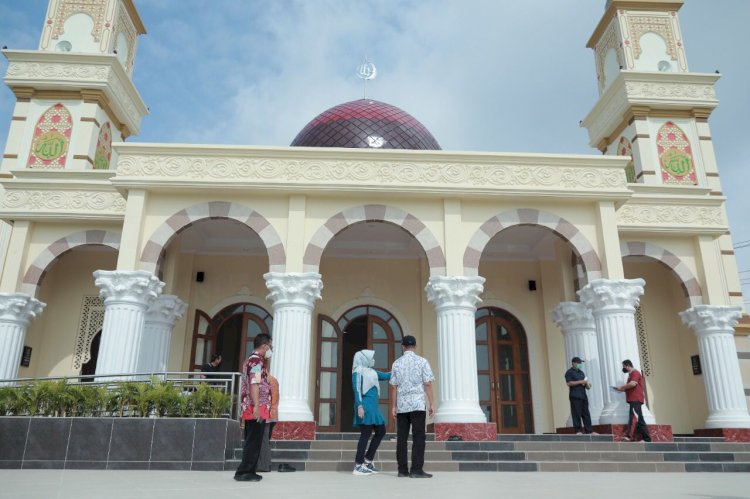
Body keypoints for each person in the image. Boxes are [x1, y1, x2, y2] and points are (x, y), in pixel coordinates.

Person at [389, 335, 435, 478]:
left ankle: (402, 470)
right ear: (415, 346)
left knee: (401, 438)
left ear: (403, 346)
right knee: (419, 437)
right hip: (417, 405)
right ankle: (416, 470)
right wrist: (432, 402)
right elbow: (427, 383)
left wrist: (393, 406)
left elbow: (394, 387)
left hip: (402, 406)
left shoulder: (396, 363)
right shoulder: (422, 361)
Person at [234, 333, 273, 482]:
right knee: (253, 441)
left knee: (254, 440)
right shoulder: (256, 360)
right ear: (264, 346)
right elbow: (254, 383)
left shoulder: (252, 360)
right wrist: (256, 405)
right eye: (270, 346)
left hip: (255, 406)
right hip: (256, 407)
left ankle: (249, 470)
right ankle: (244, 472)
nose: (270, 349)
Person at [351, 349, 391, 476]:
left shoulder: (372, 371)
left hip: (374, 407)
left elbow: (386, 376)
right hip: (365, 406)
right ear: (364, 359)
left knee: (381, 431)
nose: (373, 360)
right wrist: (359, 406)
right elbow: (356, 389)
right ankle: (358, 465)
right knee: (365, 434)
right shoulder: (357, 372)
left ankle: (368, 460)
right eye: (371, 358)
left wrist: (399, 368)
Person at [615, 359, 651, 443]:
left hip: (636, 399)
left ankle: (629, 437)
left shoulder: (635, 373)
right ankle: (647, 439)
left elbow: (633, 384)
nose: (623, 368)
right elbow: (630, 387)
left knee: (633, 418)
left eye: (624, 366)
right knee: (640, 419)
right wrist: (621, 389)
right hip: (634, 400)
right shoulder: (631, 375)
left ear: (627, 365)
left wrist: (622, 387)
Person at [564, 356, 597, 435]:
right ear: (573, 363)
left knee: (586, 414)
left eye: (580, 363)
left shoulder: (581, 372)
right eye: (579, 363)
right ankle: (578, 431)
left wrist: (587, 385)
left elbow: (586, 385)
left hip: (583, 396)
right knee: (576, 414)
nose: (580, 364)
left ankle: (589, 431)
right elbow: (569, 383)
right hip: (575, 396)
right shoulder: (569, 372)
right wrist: (580, 381)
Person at [257, 374, 280, 473]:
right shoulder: (273, 379)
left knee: (263, 440)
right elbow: (276, 398)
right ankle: (266, 464)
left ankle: (263, 466)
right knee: (265, 440)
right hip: (273, 414)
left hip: (267, 413)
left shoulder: (264, 380)